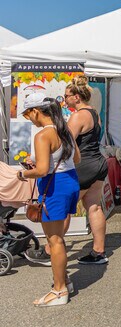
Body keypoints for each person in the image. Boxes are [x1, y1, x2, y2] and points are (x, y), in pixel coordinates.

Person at [25, 77, 109, 266]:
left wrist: (38, 158)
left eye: (67, 96)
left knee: (63, 210)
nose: (64, 99)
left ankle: (50, 251)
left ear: (76, 97)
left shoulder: (78, 116)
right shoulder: (94, 113)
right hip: (98, 163)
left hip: (83, 165)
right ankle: (99, 252)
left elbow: (65, 142)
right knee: (94, 207)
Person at [17, 93, 81, 306]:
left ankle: (59, 290)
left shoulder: (43, 135)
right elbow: (77, 158)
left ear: (35, 111)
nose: (29, 119)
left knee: (54, 241)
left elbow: (43, 169)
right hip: (70, 181)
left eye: (28, 114)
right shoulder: (64, 130)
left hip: (55, 187)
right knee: (58, 238)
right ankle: (64, 281)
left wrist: (22, 174)